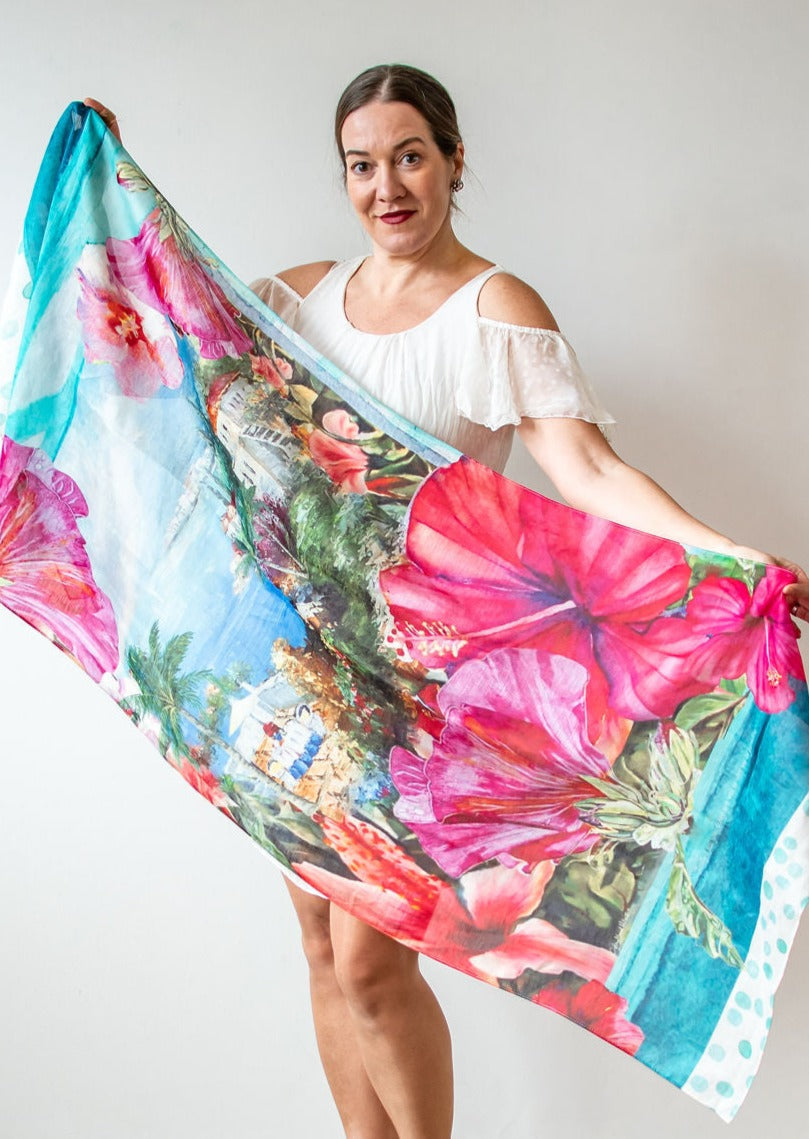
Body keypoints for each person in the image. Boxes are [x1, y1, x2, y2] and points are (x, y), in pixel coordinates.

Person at [84, 67, 808, 1139]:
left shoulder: (494, 311)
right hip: (294, 666)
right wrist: (109, 176)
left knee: (370, 959)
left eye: (409, 157)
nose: (386, 186)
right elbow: (168, 320)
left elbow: (588, 470)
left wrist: (729, 556)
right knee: (318, 945)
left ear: (454, 160)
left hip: (418, 684)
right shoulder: (297, 300)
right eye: (362, 165)